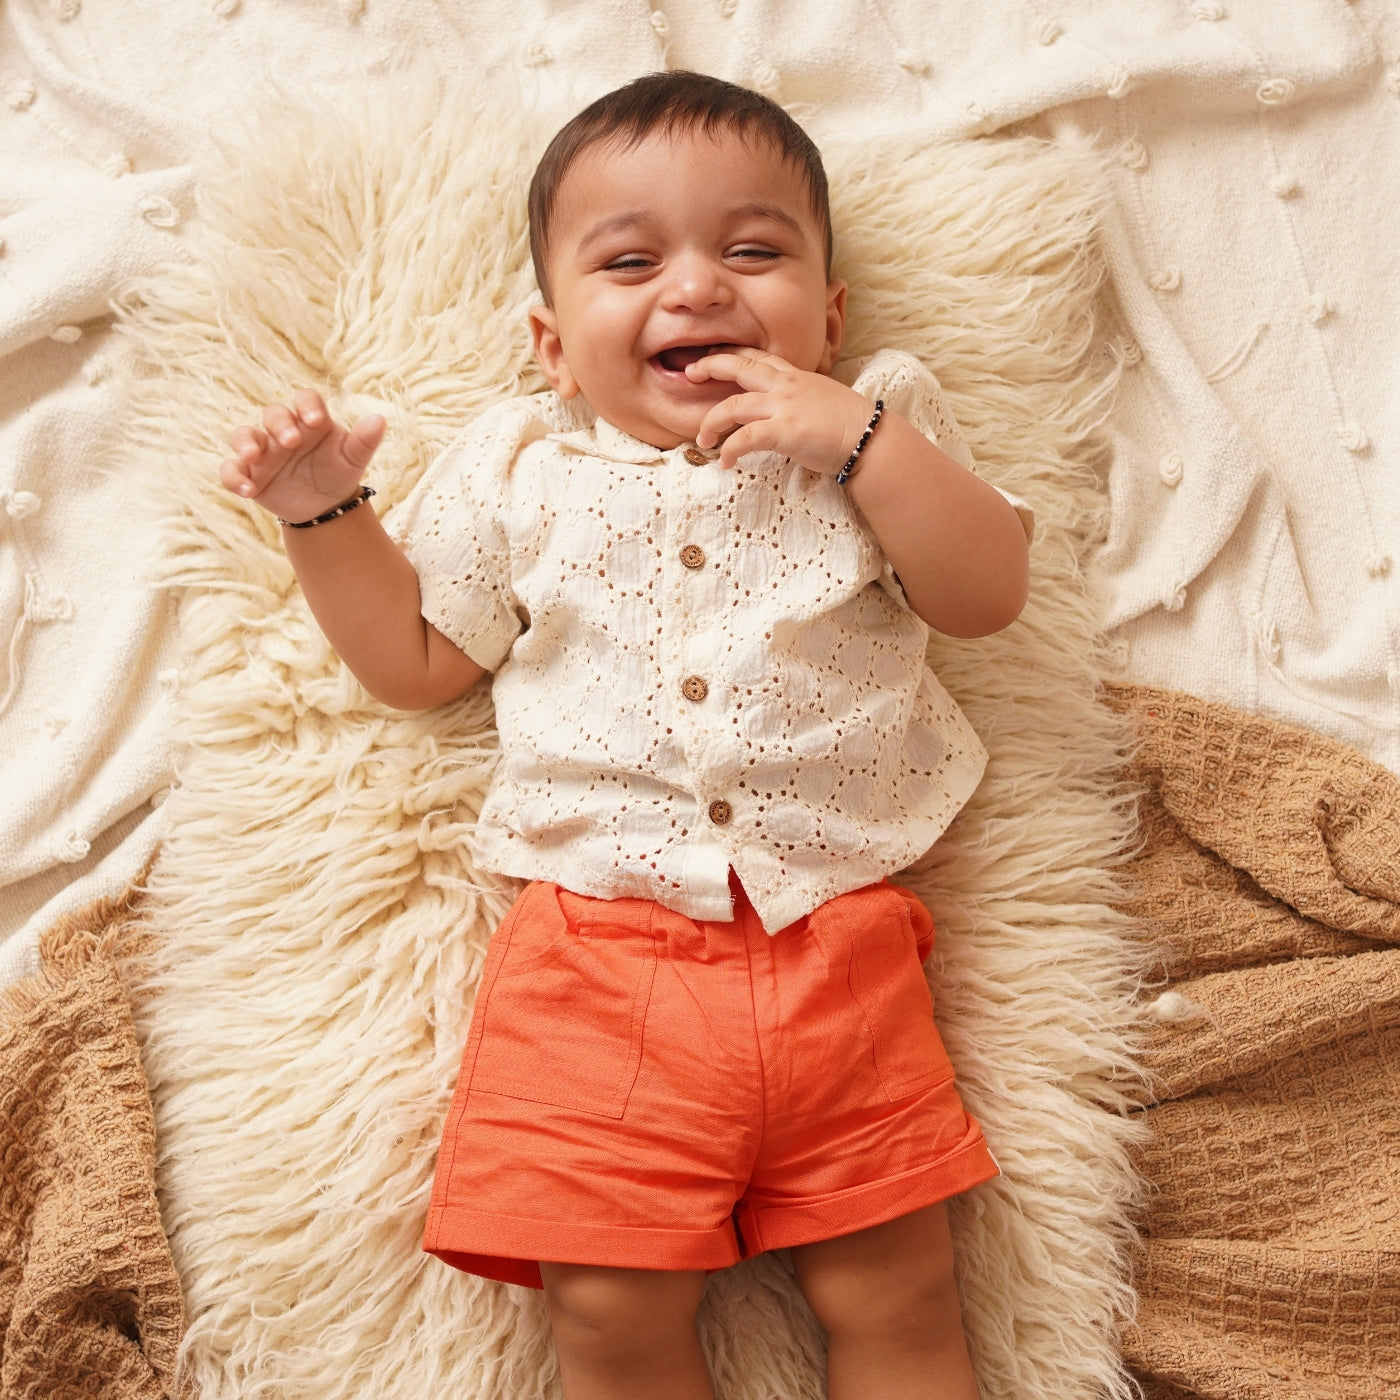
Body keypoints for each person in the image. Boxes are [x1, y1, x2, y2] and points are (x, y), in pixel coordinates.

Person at [220, 70, 1031, 1400]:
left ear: (827, 320)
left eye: (753, 250)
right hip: (598, 968)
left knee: (898, 1293)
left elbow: (986, 595)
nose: (699, 287)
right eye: (634, 260)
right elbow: (416, 663)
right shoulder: (522, 468)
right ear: (553, 346)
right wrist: (326, 514)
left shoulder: (875, 425)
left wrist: (863, 441)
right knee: (605, 1313)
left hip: (837, 945)